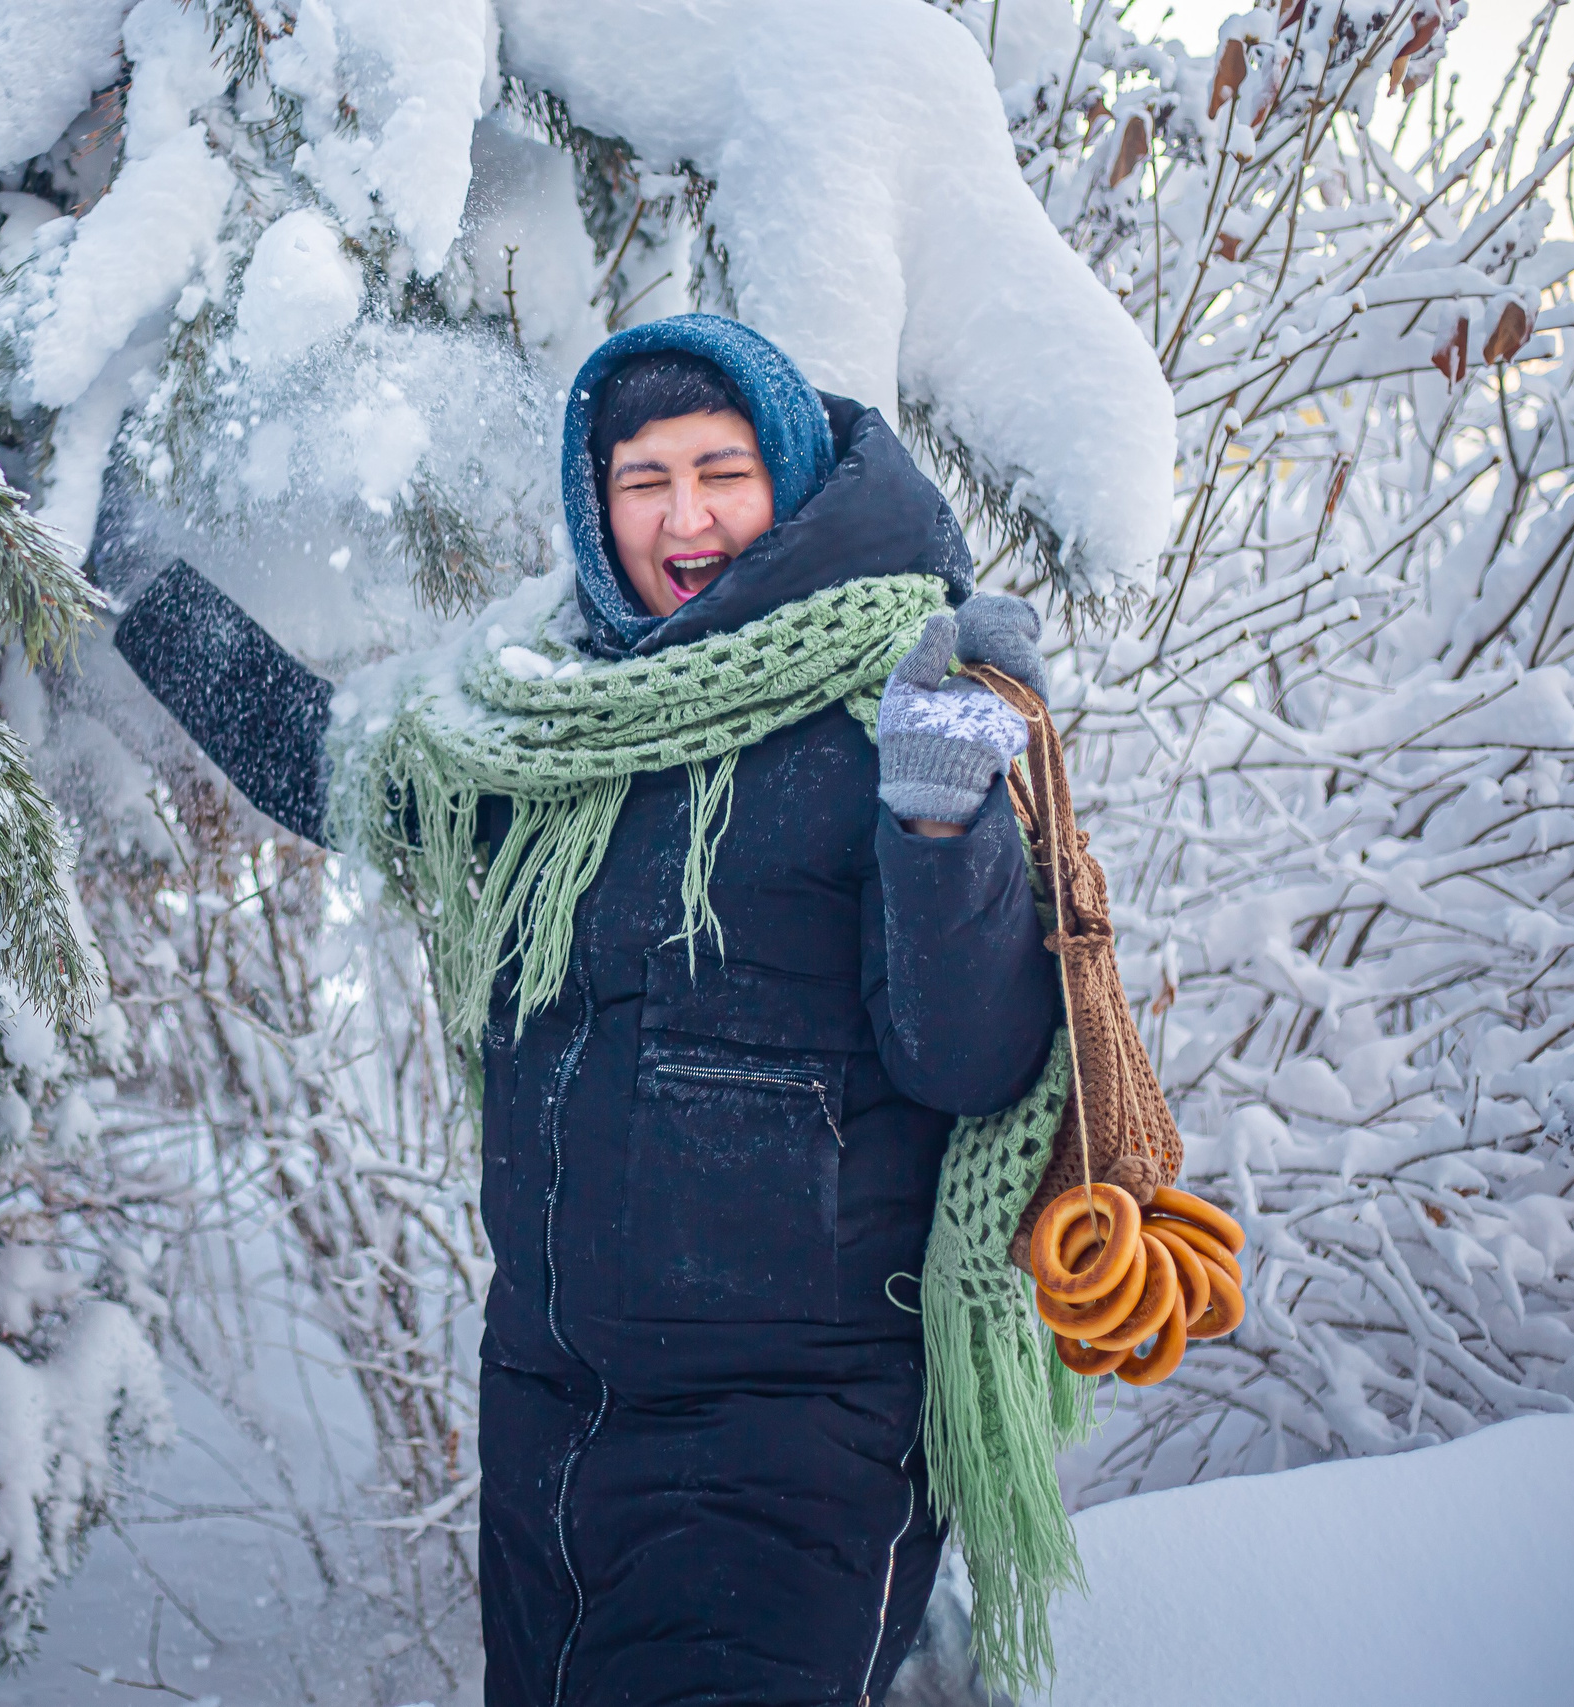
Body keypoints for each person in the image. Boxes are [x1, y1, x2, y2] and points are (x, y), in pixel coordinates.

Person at [98, 314, 1062, 1706]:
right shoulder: (549, 723)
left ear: (787, 478)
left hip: (793, 1443)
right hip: (552, 1418)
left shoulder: (897, 708)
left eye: (721, 472)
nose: (686, 518)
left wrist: (939, 821)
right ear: (594, 502)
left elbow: (972, 1057)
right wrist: (131, 586)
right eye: (643, 480)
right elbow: (332, 766)